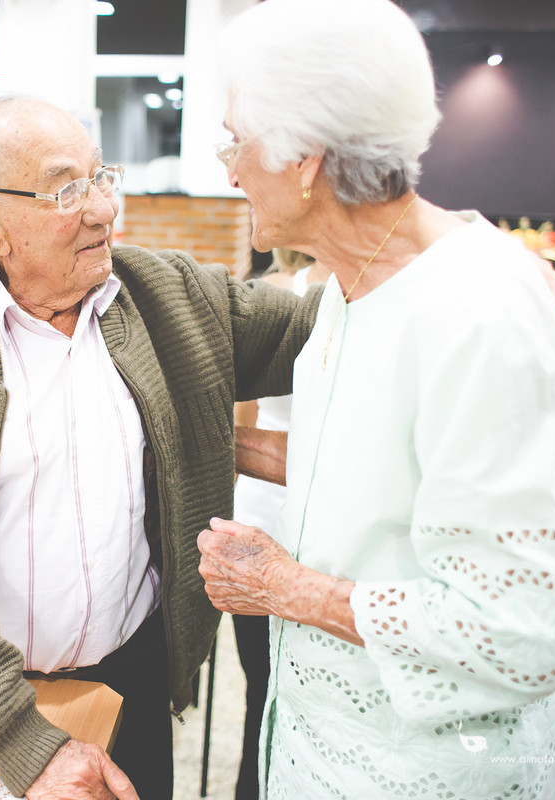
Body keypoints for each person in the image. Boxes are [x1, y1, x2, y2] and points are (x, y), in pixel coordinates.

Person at [0, 94, 323, 800]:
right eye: (68, 188)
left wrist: (465, 263)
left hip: (132, 682)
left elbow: (317, 334)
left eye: (103, 178)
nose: (102, 209)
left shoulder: (167, 296)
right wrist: (23, 744)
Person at [197, 1, 555, 799]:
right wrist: (189, 438)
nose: (227, 168)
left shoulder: (479, 314)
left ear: (305, 157)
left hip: (427, 770)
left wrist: (287, 589)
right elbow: (363, 471)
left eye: (236, 140)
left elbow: (525, 634)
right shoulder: (353, 285)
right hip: (330, 747)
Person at [229, 248, 328, 800]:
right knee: (266, 692)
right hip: (267, 521)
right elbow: (242, 414)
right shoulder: (277, 295)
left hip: (320, 535)